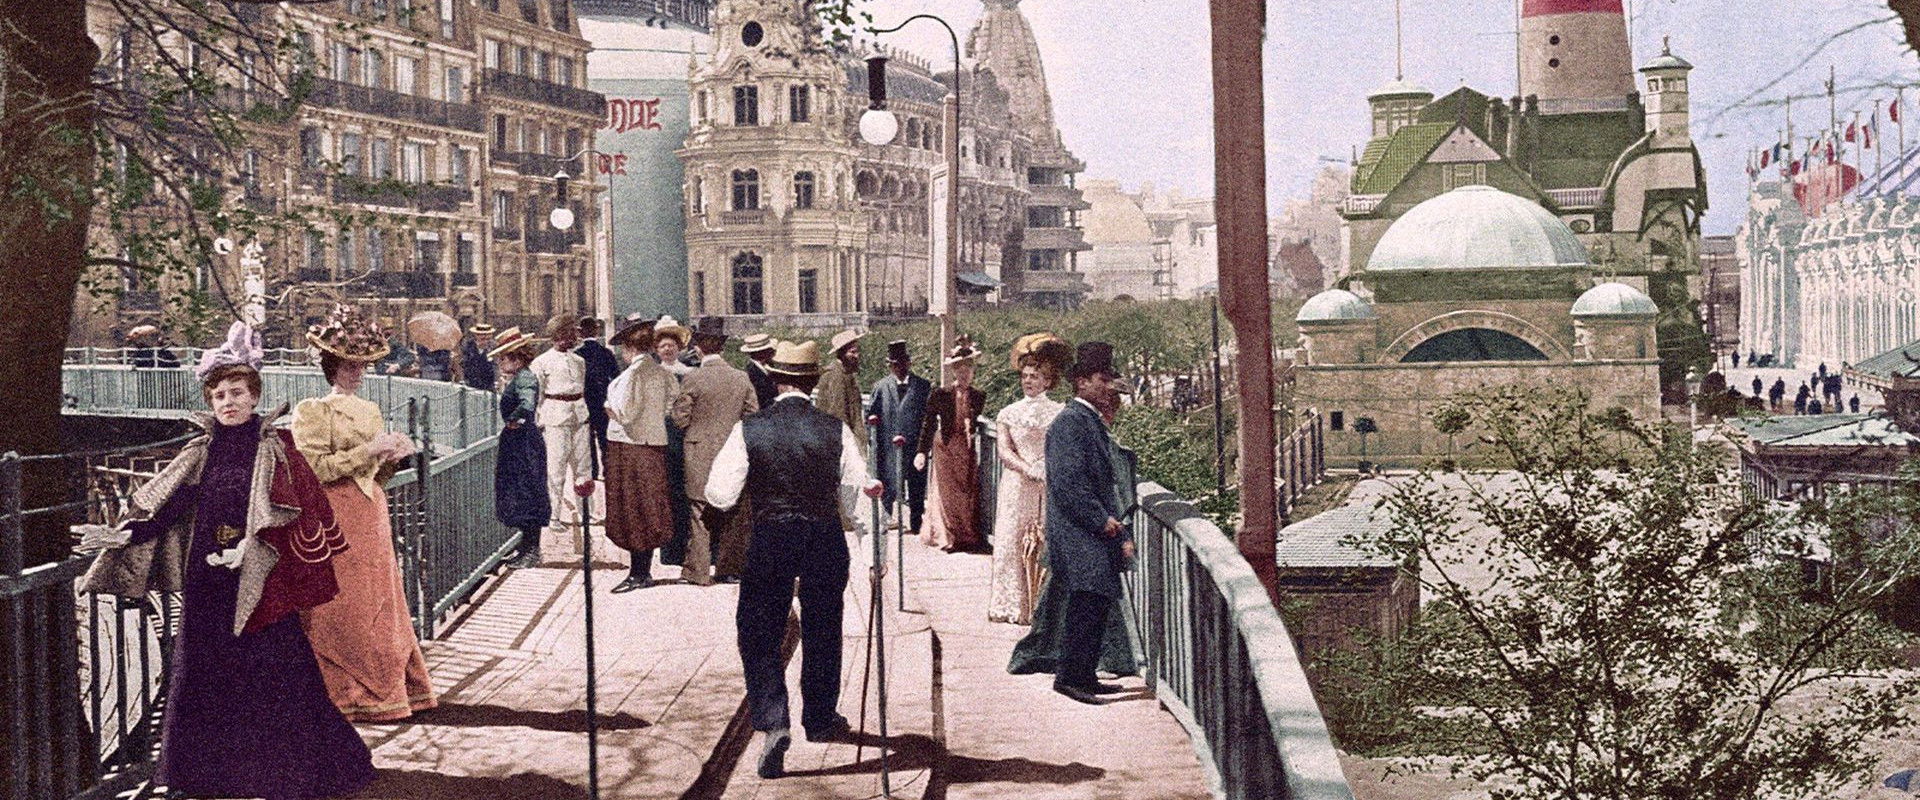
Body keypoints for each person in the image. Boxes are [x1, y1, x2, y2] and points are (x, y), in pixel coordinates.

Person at [81, 320, 373, 800]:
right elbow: (168, 506)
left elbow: (300, 511)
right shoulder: (202, 450)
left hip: (260, 578)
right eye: (219, 396)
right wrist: (121, 534)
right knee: (206, 674)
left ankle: (285, 774)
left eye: (237, 393)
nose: (228, 403)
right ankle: (206, 778)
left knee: (274, 672)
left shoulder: (278, 448)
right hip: (208, 580)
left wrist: (254, 548)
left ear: (254, 397)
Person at [702, 339, 882, 779]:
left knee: (759, 630)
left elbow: (720, 494)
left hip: (772, 537)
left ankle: (773, 720)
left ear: (776, 380)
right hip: (823, 537)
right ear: (813, 381)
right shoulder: (834, 430)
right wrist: (873, 555)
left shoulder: (750, 429)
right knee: (824, 628)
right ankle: (819, 719)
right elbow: (859, 494)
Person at [294, 305, 438, 722]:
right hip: (332, 513)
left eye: (361, 366)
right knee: (339, 602)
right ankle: (342, 692)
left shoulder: (371, 409)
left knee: (376, 597)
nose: (356, 373)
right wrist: (369, 449)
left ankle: (384, 687)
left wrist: (393, 456)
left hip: (370, 510)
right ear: (332, 367)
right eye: (348, 366)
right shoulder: (313, 410)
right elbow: (314, 468)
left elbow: (374, 474)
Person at [1023, 341, 1136, 705]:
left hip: (1087, 531)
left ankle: (1085, 675)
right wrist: (1102, 520)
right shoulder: (1071, 422)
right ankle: (1070, 678)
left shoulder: (1086, 419)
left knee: (1094, 602)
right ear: (1083, 382)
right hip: (1078, 532)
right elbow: (1069, 484)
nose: (1108, 386)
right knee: (1084, 604)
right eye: (1103, 379)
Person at [988, 333, 1072, 625]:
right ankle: (1017, 606)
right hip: (1018, 484)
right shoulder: (1008, 413)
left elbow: (1065, 447)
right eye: (1024, 376)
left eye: (1034, 377)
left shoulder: (1060, 412)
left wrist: (1047, 467)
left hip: (1048, 482)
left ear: (1047, 381)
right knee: (1014, 539)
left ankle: (1045, 606)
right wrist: (1027, 468)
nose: (1028, 381)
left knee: (1048, 539)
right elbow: (1003, 450)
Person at [671, 319, 758, 585]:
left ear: (698, 347)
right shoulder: (741, 378)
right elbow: (752, 415)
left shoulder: (692, 378)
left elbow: (679, 418)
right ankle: (729, 568)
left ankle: (697, 571)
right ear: (722, 346)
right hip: (733, 451)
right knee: (732, 509)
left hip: (698, 450)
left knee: (699, 511)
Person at [604, 315, 680, 593]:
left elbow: (624, 413)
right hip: (654, 443)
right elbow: (672, 404)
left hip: (629, 446)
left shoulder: (632, 375)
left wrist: (608, 408)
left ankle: (639, 573)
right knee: (648, 505)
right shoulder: (662, 372)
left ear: (629, 347)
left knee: (632, 507)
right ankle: (642, 569)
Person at [490, 328, 552, 569]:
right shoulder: (519, 377)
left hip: (523, 443)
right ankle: (525, 548)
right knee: (518, 492)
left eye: (503, 358)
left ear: (516, 358)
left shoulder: (524, 378)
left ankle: (532, 551)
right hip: (518, 442)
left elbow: (527, 404)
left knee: (526, 492)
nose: (500, 362)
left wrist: (514, 420)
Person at [917, 337, 987, 552]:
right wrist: (921, 451)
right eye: (960, 370)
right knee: (947, 492)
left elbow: (975, 421)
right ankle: (947, 536)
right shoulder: (941, 394)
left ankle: (965, 534)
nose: (964, 374)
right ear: (954, 372)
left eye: (968, 370)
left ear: (973, 372)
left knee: (965, 490)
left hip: (965, 448)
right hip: (945, 446)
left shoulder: (978, 396)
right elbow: (928, 423)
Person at [531, 315, 594, 529]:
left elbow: (581, 388)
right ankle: (554, 517)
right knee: (556, 470)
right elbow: (538, 395)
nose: (573, 337)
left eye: (573, 332)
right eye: (568, 333)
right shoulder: (541, 362)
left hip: (580, 416)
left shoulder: (579, 361)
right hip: (555, 418)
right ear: (557, 335)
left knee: (583, 467)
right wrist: (540, 421)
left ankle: (587, 513)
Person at [867, 340, 930, 533]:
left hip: (914, 446)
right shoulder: (881, 387)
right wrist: (874, 442)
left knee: (917, 486)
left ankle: (916, 523)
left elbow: (928, 418)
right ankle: (885, 518)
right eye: (894, 364)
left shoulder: (922, 386)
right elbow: (871, 415)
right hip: (889, 447)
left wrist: (924, 448)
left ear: (909, 363)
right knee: (888, 483)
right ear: (890, 366)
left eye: (902, 363)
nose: (899, 368)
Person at [653, 315, 697, 568]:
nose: (667, 349)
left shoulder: (688, 373)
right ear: (657, 350)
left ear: (679, 348)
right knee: (666, 492)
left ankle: (689, 548)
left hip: (684, 434)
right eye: (662, 346)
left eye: (671, 345)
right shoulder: (654, 374)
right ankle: (669, 551)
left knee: (685, 490)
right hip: (661, 435)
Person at [577, 317, 620, 479]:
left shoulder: (577, 355)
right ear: (596, 331)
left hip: (584, 401)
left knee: (587, 440)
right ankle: (608, 471)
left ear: (580, 332)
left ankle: (592, 471)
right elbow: (616, 378)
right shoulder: (606, 353)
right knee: (604, 437)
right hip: (602, 400)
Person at [815, 329, 869, 459]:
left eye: (857, 351)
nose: (857, 356)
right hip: (841, 445)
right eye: (852, 352)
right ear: (842, 354)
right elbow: (838, 414)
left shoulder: (845, 374)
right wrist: (851, 448)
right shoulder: (837, 375)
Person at [742, 332, 779, 409]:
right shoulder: (751, 373)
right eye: (769, 349)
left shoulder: (769, 367)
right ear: (762, 353)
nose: (773, 351)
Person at [461, 323, 499, 391]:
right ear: (476, 336)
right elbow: (463, 364)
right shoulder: (468, 346)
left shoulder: (494, 347)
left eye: (488, 339)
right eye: (482, 339)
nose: (485, 342)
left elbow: (496, 366)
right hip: (471, 384)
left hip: (489, 385)